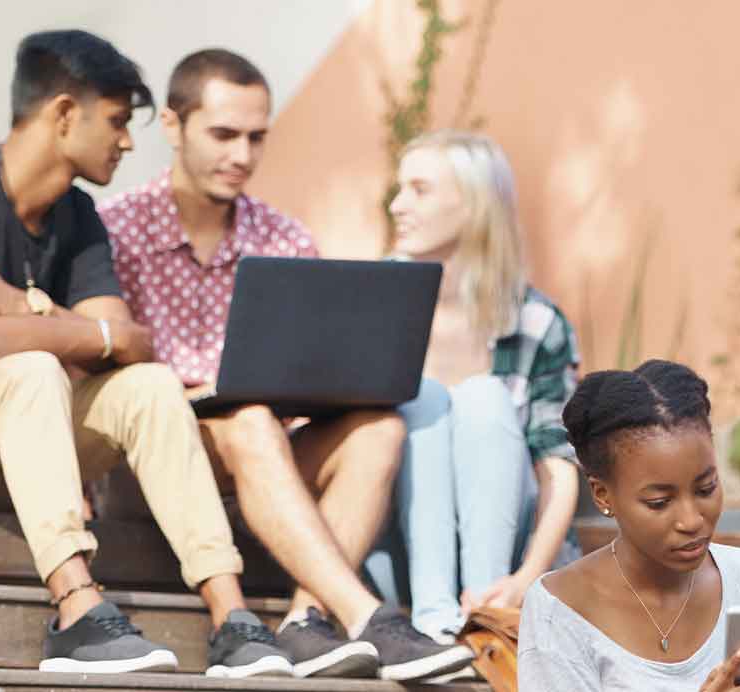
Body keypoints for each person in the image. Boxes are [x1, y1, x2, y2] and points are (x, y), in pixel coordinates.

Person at [0, 31, 292, 677]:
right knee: (28, 368)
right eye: (115, 121)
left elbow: (132, 344)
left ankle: (230, 615)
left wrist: (19, 304)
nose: (128, 141)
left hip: (11, 442)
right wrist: (72, 330)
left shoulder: (78, 217)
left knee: (150, 386)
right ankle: (77, 609)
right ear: (61, 113)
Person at [97, 48, 472, 682]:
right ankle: (367, 614)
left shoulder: (286, 240)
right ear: (172, 125)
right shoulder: (112, 229)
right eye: (223, 134)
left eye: (256, 137)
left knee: (378, 427)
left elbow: (311, 372)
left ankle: (305, 621)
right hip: (152, 467)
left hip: (264, 454)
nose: (241, 155)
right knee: (247, 417)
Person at [384, 130, 584, 641]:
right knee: (426, 398)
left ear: (474, 205)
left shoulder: (536, 321)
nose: (397, 204)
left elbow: (558, 470)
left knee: (483, 397)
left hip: (505, 554)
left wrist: (524, 581)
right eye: (399, 188)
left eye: (419, 190)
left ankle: (484, 614)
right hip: (395, 546)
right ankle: (433, 618)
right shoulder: (373, 303)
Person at [518, 360, 740, 692]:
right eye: (659, 503)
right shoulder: (559, 612)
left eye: (706, 489)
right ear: (603, 494)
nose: (692, 521)